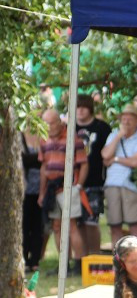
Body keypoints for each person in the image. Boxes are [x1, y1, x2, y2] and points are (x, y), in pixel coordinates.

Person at [37, 109, 88, 276]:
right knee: (57, 227)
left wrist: (78, 186)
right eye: (45, 124)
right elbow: (44, 166)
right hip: (52, 188)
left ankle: (79, 264)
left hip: (68, 187)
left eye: (51, 123)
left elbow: (83, 163)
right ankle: (63, 264)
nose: (49, 127)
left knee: (71, 226)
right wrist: (42, 192)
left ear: (59, 122)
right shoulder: (43, 139)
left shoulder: (73, 138)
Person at [101, 104, 137, 246]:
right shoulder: (113, 135)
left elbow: (135, 162)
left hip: (131, 186)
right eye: (124, 118)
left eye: (130, 119)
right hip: (112, 185)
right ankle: (117, 261)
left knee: (134, 227)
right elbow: (104, 154)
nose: (126, 122)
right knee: (115, 226)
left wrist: (115, 159)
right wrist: (119, 136)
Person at [76, 94, 111, 256]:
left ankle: (95, 256)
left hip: (95, 181)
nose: (80, 110)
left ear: (90, 109)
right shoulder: (69, 128)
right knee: (78, 223)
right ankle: (82, 259)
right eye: (77, 107)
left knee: (91, 221)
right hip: (74, 182)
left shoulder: (102, 128)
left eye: (83, 107)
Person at [22, 128, 43, 272]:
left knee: (38, 227)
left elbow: (45, 159)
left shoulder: (43, 136)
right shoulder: (19, 136)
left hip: (41, 189)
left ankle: (35, 260)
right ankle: (23, 258)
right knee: (23, 226)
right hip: (23, 191)